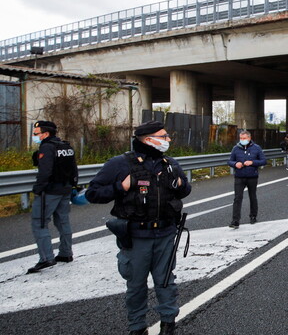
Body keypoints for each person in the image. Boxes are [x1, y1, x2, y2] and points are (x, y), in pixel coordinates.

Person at [86, 121, 191, 335]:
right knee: (136, 285)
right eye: (163, 136)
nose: (168, 140)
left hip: (165, 234)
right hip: (136, 237)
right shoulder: (120, 164)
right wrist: (121, 186)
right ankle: (137, 327)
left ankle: (168, 323)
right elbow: (93, 193)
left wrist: (181, 185)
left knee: (165, 281)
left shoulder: (169, 164)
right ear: (148, 140)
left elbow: (184, 190)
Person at [27, 120, 78, 274]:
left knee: (39, 222)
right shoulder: (66, 146)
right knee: (63, 221)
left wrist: (38, 189)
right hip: (65, 189)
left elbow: (45, 171)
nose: (35, 136)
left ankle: (46, 258)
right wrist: (72, 186)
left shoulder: (47, 147)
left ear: (46, 133)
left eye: (36, 134)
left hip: (50, 191)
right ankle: (66, 253)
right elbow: (74, 168)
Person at [227, 130, 266, 228]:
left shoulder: (256, 148)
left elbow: (263, 161)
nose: (242, 140)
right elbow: (230, 161)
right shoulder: (236, 148)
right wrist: (235, 164)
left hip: (252, 176)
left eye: (244, 138)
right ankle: (235, 221)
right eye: (241, 138)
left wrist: (252, 162)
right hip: (239, 176)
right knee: (237, 198)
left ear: (249, 138)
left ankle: (253, 216)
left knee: (252, 197)